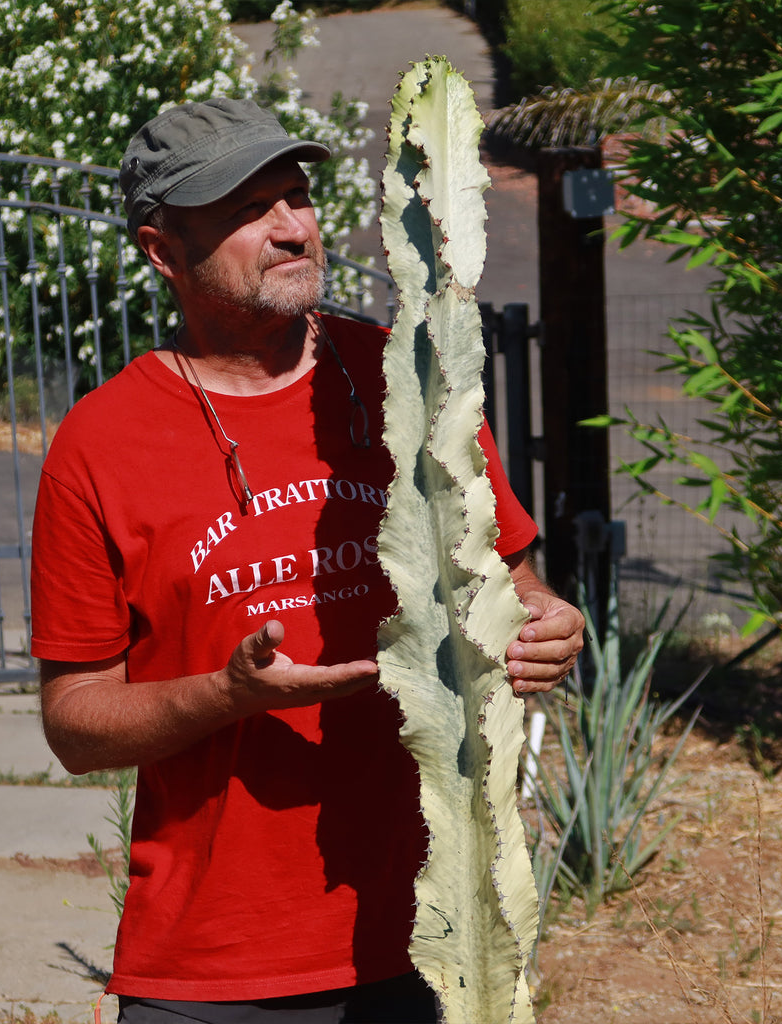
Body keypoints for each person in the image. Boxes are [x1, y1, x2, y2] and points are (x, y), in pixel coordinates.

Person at [30, 97, 584, 1024]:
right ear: (163, 251)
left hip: (435, 932)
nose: (290, 228)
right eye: (247, 212)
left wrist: (544, 627)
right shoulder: (100, 447)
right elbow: (75, 722)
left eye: (295, 196)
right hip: (214, 964)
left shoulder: (407, 381)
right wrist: (228, 695)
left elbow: (516, 585)